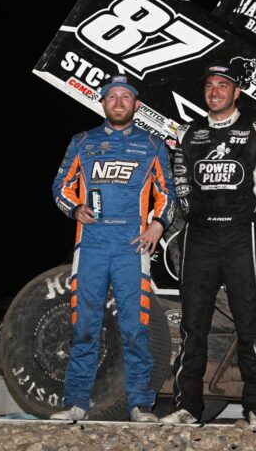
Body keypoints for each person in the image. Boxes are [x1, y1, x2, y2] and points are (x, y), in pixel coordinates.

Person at [161, 63, 256, 426]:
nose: (215, 91)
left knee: (250, 325)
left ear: (236, 92)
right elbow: (181, 186)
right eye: (210, 86)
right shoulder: (187, 133)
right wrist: (195, 217)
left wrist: (255, 231)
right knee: (192, 326)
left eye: (223, 85)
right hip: (199, 237)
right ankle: (186, 407)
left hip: (241, 237)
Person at [50, 75, 174, 422]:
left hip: (132, 247)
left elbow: (169, 194)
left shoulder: (152, 144)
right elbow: (60, 185)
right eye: (112, 96)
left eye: (125, 97)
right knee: (85, 326)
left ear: (136, 105)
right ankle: (76, 404)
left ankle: (139, 405)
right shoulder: (83, 141)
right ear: (102, 103)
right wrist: (74, 208)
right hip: (90, 244)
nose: (118, 102)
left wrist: (157, 224)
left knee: (136, 328)